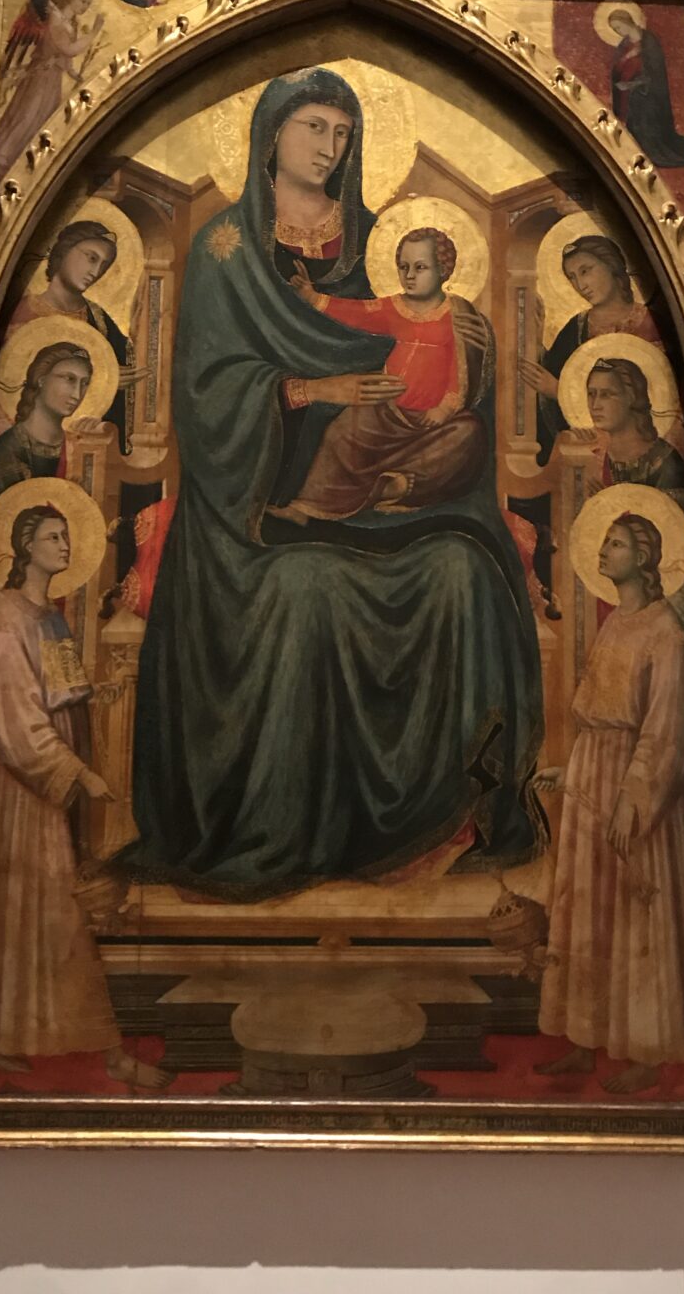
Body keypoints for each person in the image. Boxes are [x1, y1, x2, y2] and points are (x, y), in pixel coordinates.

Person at [110, 67, 545, 900]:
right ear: (271, 132)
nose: (329, 147)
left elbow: (451, 376)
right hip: (255, 512)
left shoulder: (385, 248)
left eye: (343, 133)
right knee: (300, 591)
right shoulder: (227, 251)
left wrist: (420, 444)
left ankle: (445, 818)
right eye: (314, 127)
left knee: (464, 576)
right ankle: (286, 827)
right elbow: (205, 394)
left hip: (391, 501)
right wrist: (312, 389)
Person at [0, 504, 168, 1088]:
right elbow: (8, 711)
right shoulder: (5, 618)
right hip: (12, 787)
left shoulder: (52, 617)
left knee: (35, 913)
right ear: (25, 548)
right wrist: (75, 772)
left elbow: (67, 694)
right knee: (34, 910)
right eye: (52, 537)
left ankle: (4, 1038)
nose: (65, 546)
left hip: (47, 785)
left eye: (68, 536)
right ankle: (100, 1053)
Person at [535, 513, 684, 1092]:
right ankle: (583, 1040)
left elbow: (667, 729)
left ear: (646, 558)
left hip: (636, 788)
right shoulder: (613, 625)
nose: (605, 551)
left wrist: (634, 799)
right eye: (604, 542)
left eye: (618, 543)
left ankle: (647, 1053)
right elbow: (601, 711)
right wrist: (573, 771)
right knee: (588, 909)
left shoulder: (666, 633)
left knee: (635, 911)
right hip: (595, 776)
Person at [276, 226, 491, 519]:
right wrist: (314, 298)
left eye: (420, 267)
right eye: (403, 267)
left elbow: (461, 366)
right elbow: (357, 312)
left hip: (433, 422)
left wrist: (445, 406)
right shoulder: (394, 307)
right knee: (342, 430)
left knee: (468, 433)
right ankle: (308, 507)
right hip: (386, 411)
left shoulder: (457, 314)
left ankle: (397, 486)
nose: (409, 275)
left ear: (443, 270)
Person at [0, 219, 145, 451]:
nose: (96, 272)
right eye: (91, 258)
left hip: (86, 443)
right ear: (64, 250)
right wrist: (105, 381)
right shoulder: (22, 315)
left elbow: (126, 381)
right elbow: (9, 389)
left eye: (104, 265)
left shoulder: (99, 319)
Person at [518, 234, 665, 463]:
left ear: (611, 265)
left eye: (585, 271)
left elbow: (658, 402)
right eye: (572, 277)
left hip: (636, 449)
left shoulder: (651, 324)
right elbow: (552, 374)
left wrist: (558, 391)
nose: (580, 285)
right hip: (589, 451)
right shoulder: (577, 326)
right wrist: (536, 345)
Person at [0, 0, 104, 186]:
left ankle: (19, 162)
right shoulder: (55, 18)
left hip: (53, 78)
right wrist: (94, 32)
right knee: (27, 114)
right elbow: (68, 49)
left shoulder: (71, 24)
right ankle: (3, 157)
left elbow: (65, 58)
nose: (85, 7)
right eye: (82, 1)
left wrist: (73, 73)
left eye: (88, 4)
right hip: (41, 75)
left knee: (43, 120)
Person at [0, 342, 93, 517]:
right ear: (41, 379)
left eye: (85, 383)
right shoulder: (7, 452)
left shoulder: (76, 445)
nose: (77, 394)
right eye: (69, 379)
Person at [579, 357, 684, 506]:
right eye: (591, 394)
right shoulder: (599, 459)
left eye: (606, 394)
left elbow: (668, 518)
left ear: (631, 397)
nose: (595, 405)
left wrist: (612, 503)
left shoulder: (666, 465)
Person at [608, 8, 684, 169]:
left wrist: (634, 84)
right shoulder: (624, 45)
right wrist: (627, 59)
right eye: (614, 29)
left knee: (643, 116)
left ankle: (653, 152)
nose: (618, 31)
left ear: (627, 22)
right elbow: (617, 69)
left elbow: (655, 72)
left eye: (618, 27)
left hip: (648, 94)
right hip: (628, 94)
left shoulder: (649, 41)